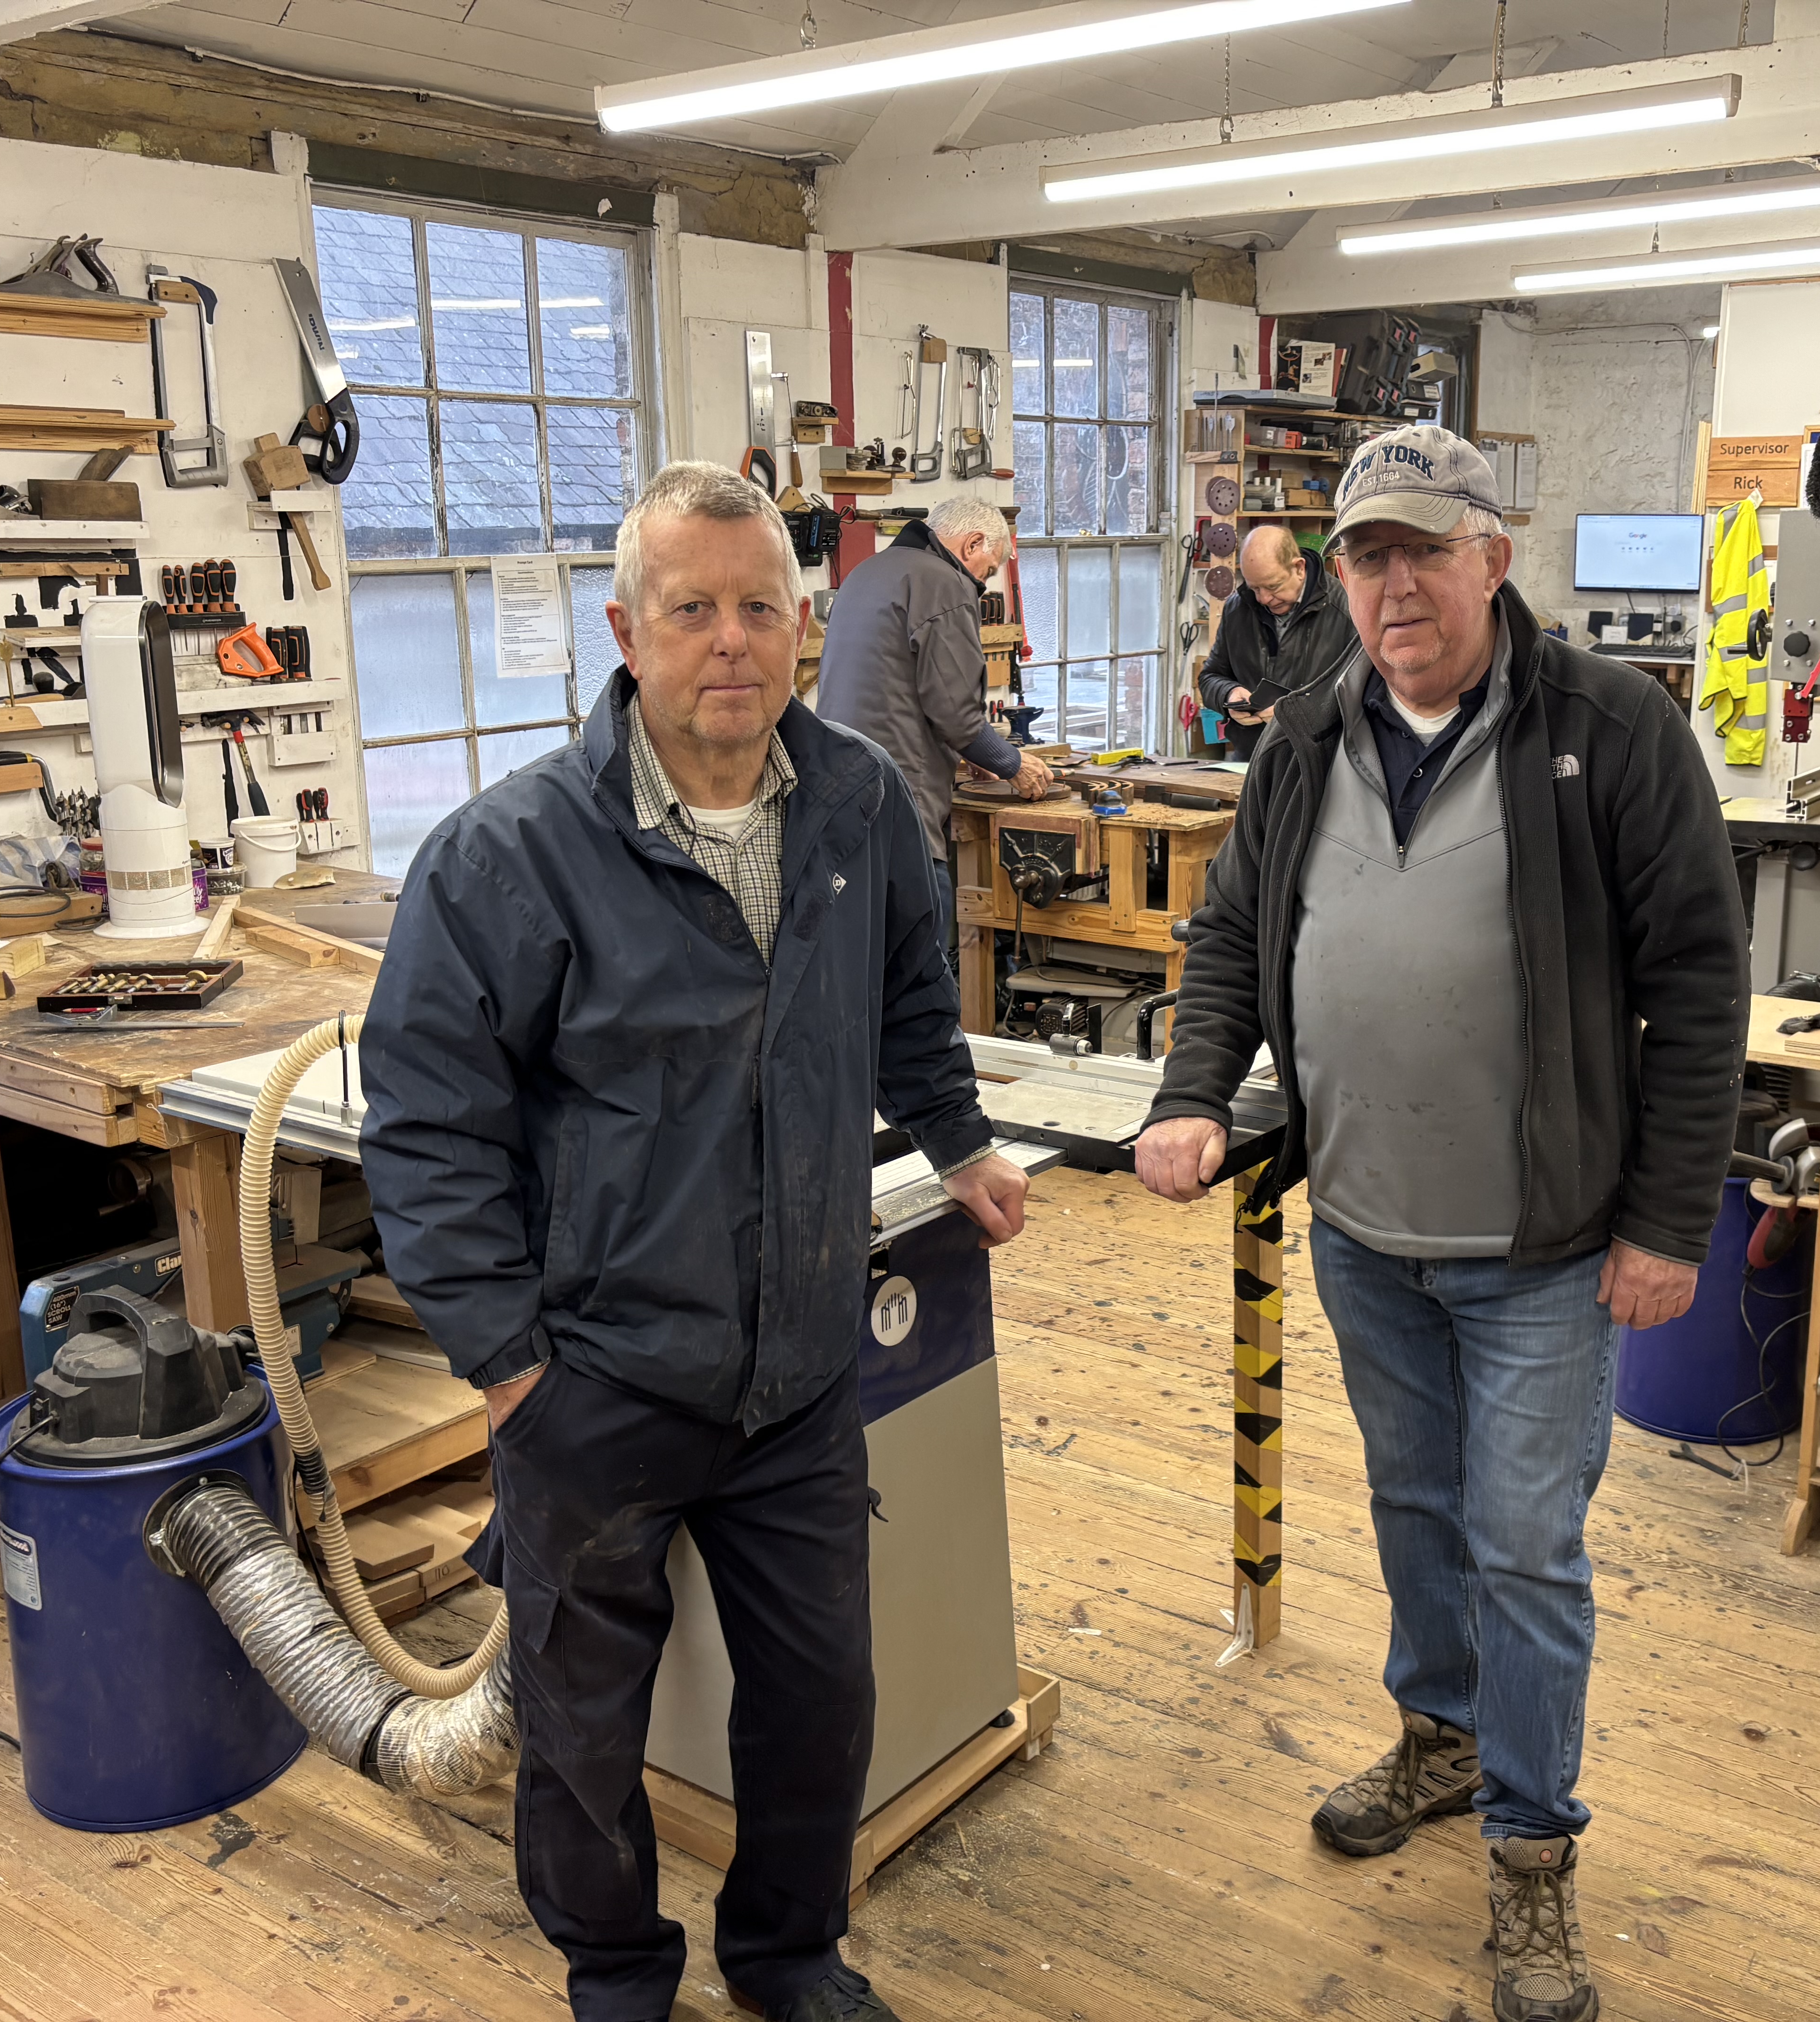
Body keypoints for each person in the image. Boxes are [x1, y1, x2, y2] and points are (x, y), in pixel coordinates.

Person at [360, 462, 1031, 2022]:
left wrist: (962, 1142)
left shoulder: (860, 801)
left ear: (802, 624)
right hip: (596, 1381)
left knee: (817, 1706)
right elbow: (428, 1124)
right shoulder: (506, 856)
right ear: (624, 630)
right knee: (582, 1730)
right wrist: (507, 1364)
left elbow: (910, 1007)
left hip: (797, 1371)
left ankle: (789, 1955)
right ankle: (615, 1971)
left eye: (761, 608)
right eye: (693, 609)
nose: (732, 640)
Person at [1134, 425, 1746, 2022]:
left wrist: (1669, 1219)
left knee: (1526, 1548)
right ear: (1334, 575)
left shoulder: (1610, 730)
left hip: (1547, 1246)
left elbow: (1695, 988)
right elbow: (1226, 934)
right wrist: (1195, 1090)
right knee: (1414, 1506)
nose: (1392, 581)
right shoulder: (1307, 738)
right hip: (1364, 1225)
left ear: (1494, 552)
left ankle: (1534, 1855)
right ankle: (1442, 1735)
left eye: (1422, 547)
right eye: (1363, 553)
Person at [815, 495, 1053, 950]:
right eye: (987, 571)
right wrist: (1011, 763)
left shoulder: (868, 573)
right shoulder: (943, 584)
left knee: (866, 964)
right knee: (924, 966)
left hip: (841, 792)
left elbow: (902, 689)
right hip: (902, 803)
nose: (982, 583)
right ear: (973, 544)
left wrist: (970, 754)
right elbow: (957, 713)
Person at [1196, 523, 1359, 759]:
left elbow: (1362, 694)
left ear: (1299, 569)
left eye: (1273, 586)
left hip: (1318, 761)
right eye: (1255, 588)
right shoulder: (1237, 608)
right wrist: (1228, 695)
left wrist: (1298, 713)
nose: (1264, 599)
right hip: (1251, 756)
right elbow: (1210, 677)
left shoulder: (1345, 610)